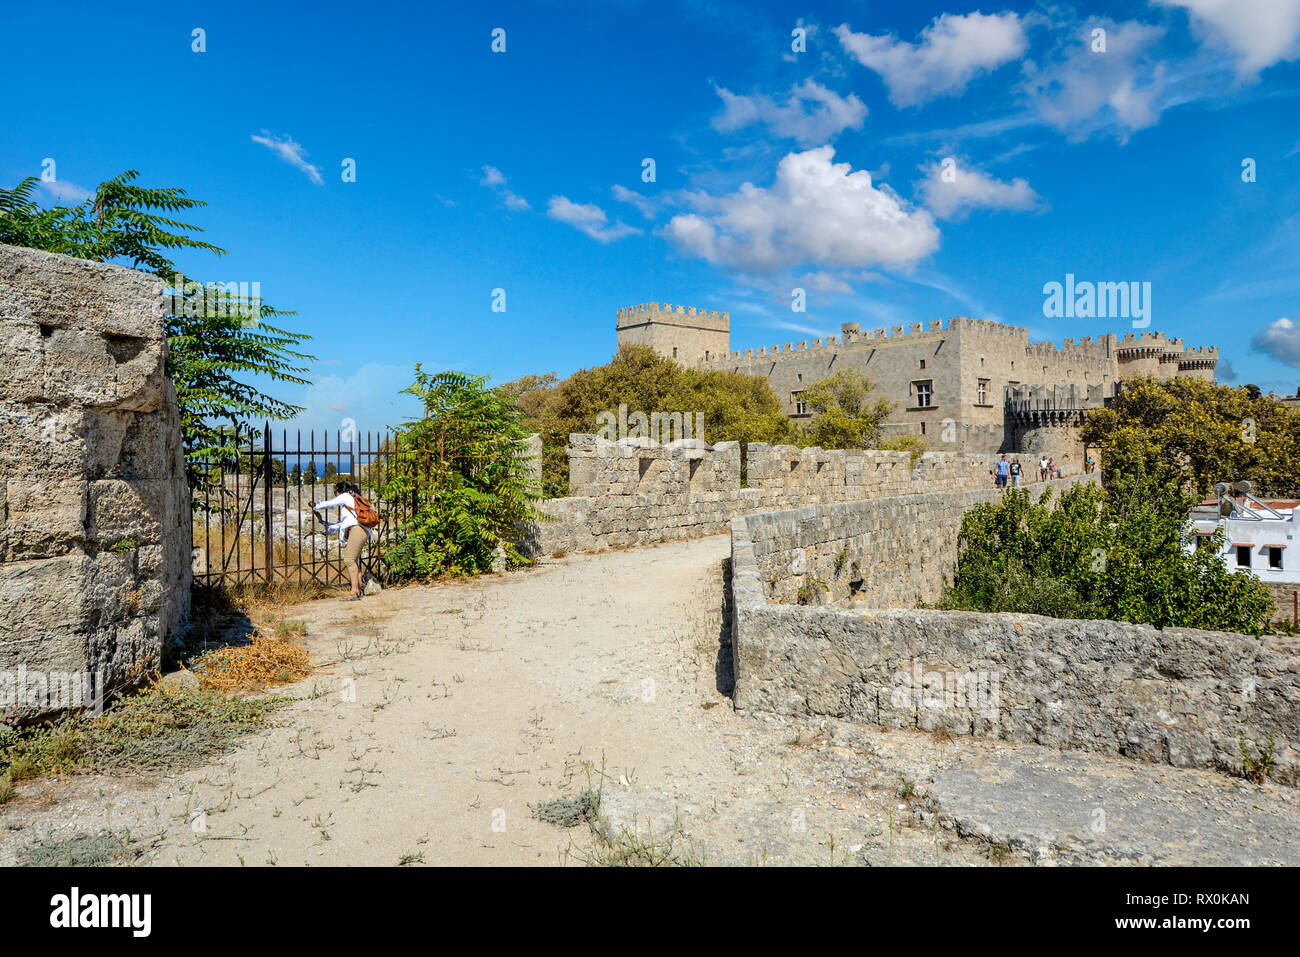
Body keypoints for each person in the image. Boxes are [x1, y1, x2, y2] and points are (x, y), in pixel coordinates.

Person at [311, 481, 375, 601]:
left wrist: (316, 506)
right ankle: (359, 590)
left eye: (336, 493)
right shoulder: (353, 499)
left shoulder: (346, 496)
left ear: (339, 491)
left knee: (349, 559)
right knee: (354, 560)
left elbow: (331, 504)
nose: (336, 496)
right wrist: (323, 522)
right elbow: (340, 524)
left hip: (358, 529)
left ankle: (354, 592)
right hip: (361, 529)